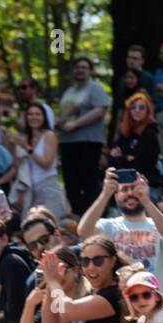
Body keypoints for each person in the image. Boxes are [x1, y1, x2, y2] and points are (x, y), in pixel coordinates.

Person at [39, 237, 128, 323]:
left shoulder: (113, 295)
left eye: (98, 260)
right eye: (85, 261)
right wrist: (52, 283)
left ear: (112, 261)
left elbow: (67, 310)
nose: (91, 267)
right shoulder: (89, 295)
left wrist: (53, 280)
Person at [79, 167, 163, 291]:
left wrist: (146, 201)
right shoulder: (108, 226)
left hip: (159, 300)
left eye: (134, 188)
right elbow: (83, 232)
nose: (130, 193)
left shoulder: (161, 224)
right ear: (116, 196)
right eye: (124, 189)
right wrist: (105, 193)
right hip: (122, 303)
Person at [57, 57, 111, 215]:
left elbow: (100, 111)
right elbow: (64, 115)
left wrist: (75, 124)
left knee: (89, 183)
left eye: (83, 67)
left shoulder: (95, 88)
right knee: (71, 184)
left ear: (90, 71)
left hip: (88, 142)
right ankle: (79, 217)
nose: (79, 70)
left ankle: (96, 217)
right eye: (77, 67)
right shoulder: (69, 91)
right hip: (68, 143)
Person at [6, 102, 69, 220]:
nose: (33, 117)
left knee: (50, 225)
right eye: (30, 114)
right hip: (29, 190)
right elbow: (17, 166)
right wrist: (14, 146)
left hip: (48, 188)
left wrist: (26, 147)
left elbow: (47, 163)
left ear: (44, 117)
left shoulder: (49, 135)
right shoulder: (24, 138)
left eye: (37, 114)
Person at [109, 91, 163, 188]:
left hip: (145, 184)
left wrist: (120, 157)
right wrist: (126, 158)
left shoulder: (150, 133)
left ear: (148, 111)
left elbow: (139, 165)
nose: (137, 110)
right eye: (133, 107)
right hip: (123, 184)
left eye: (141, 107)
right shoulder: (126, 133)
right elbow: (110, 159)